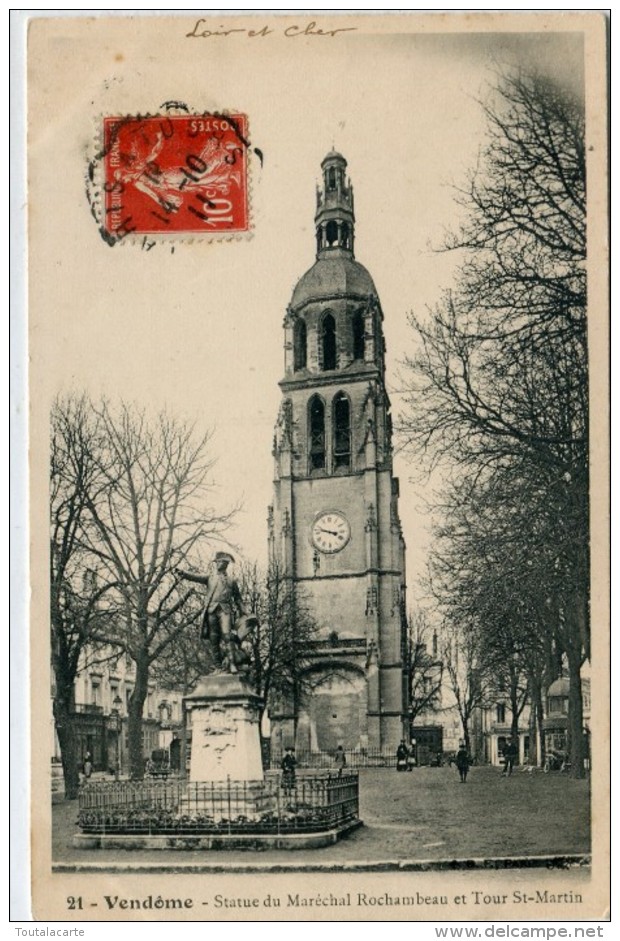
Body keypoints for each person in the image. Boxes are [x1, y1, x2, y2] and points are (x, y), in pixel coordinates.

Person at [176, 552, 247, 673]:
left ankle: (232, 664)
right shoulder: (210, 577)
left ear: (225, 564)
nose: (218, 564)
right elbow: (195, 577)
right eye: (217, 562)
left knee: (227, 636)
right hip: (211, 610)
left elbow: (238, 598)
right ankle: (218, 666)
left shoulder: (232, 580)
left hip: (225, 610)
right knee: (214, 638)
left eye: (220, 562)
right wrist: (183, 573)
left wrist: (244, 612)